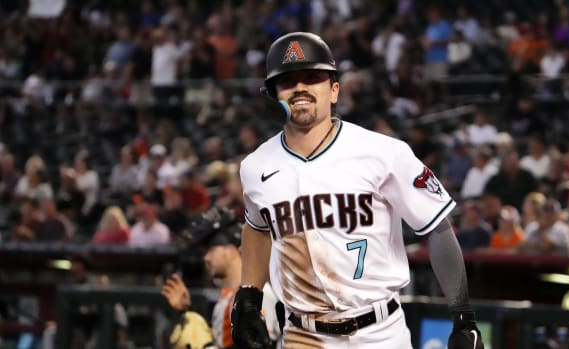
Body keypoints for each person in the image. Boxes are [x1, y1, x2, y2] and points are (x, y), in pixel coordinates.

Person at [232, 32, 484, 349]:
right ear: (273, 95)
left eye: (312, 77)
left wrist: (463, 317)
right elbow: (257, 228)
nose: (300, 87)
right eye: (287, 81)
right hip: (303, 335)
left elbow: (437, 228)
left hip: (379, 333)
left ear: (334, 90)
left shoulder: (383, 152)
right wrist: (250, 295)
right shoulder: (255, 167)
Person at [162, 206, 281, 349]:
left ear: (231, 251)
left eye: (211, 250)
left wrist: (206, 347)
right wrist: (187, 310)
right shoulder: (225, 300)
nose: (206, 258)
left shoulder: (259, 294)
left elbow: (261, 346)